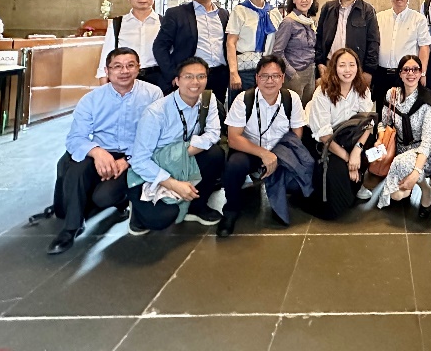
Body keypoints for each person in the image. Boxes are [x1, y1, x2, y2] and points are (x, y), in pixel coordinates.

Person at [47, 47, 163, 254]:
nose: (124, 71)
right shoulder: (92, 99)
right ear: (107, 71)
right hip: (101, 150)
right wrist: (97, 152)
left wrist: (127, 160)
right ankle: (72, 227)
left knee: (104, 197)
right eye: (117, 66)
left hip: (135, 154)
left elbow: (157, 136)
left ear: (138, 68)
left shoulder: (153, 94)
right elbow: (75, 138)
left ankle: (122, 201)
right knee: (76, 171)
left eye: (130, 65)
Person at [127, 57, 225, 234]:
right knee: (162, 218)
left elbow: (213, 133)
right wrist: (173, 183)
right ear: (177, 81)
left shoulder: (207, 99)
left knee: (215, 154)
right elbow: (140, 160)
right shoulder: (156, 112)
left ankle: (196, 206)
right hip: (154, 167)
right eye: (188, 76)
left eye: (201, 76)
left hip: (181, 159)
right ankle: (137, 209)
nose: (195, 82)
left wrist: (183, 152)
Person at [217, 55, 311, 237]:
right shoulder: (244, 99)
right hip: (251, 151)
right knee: (235, 165)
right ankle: (231, 210)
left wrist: (281, 155)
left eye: (275, 76)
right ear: (257, 78)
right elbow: (233, 138)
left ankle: (280, 195)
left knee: (299, 184)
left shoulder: (291, 98)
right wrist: (264, 154)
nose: (270, 81)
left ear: (282, 78)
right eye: (264, 76)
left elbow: (297, 133)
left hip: (280, 151)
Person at [305, 48, 375, 219]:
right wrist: (348, 158)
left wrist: (357, 150)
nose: (347, 70)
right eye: (342, 65)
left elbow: (368, 124)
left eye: (352, 65)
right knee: (336, 205)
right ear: (334, 68)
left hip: (351, 137)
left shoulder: (362, 89)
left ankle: (357, 182)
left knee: (372, 145)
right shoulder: (322, 92)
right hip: (327, 142)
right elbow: (324, 135)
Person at [367, 55, 431, 216]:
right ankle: (406, 182)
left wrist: (416, 172)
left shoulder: (427, 101)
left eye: (415, 69)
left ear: (420, 73)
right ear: (400, 73)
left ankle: (425, 189)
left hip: (422, 152)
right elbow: (383, 123)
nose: (410, 73)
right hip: (398, 146)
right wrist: (380, 140)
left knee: (397, 194)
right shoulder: (392, 95)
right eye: (406, 69)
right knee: (370, 174)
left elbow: (428, 142)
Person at [153, 0, 230, 103]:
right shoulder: (176, 14)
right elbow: (160, 46)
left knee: (216, 111)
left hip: (219, 75)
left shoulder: (224, 14)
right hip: (189, 76)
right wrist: (172, 74)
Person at [373, 0, 431, 114]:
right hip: (381, 74)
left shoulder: (418, 19)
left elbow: (424, 47)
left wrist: (422, 73)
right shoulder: (379, 17)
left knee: (405, 113)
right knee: (382, 113)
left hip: (406, 75)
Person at [315, 0, 379, 85]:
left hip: (356, 69)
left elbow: (373, 42)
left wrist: (369, 71)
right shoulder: (328, 8)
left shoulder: (367, 10)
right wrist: (320, 62)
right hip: (330, 66)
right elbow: (319, 37)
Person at [96, 0, 162, 88]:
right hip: (125, 76)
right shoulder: (118, 24)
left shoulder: (164, 23)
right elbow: (106, 55)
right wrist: (104, 86)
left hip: (158, 78)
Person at [226, 0, 283, 94]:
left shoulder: (274, 12)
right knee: (243, 103)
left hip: (267, 69)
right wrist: (233, 72)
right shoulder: (240, 10)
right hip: (245, 69)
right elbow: (231, 42)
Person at [272, 0, 319, 106]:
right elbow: (277, 52)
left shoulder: (310, 22)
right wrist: (292, 73)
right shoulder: (289, 22)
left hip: (310, 73)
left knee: (306, 111)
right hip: (294, 74)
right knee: (292, 111)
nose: (304, 0)